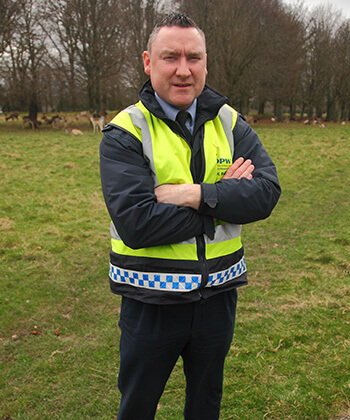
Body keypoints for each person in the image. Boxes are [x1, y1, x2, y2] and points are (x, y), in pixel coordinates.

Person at [100, 12, 281, 420]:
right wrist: (224, 201)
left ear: (205, 62)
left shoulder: (229, 121)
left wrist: (191, 194)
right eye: (171, 57)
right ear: (148, 62)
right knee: (138, 407)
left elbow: (266, 194)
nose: (184, 70)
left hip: (217, 296)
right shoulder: (127, 130)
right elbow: (137, 223)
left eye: (194, 58)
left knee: (206, 406)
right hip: (151, 303)